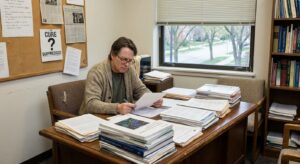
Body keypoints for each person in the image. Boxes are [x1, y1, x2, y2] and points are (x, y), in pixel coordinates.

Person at [79, 37, 162, 115]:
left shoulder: (130, 70)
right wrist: (117, 108)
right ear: (113, 55)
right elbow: (91, 103)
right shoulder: (96, 72)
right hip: (97, 118)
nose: (127, 64)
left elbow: (140, 89)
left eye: (130, 60)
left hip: (120, 117)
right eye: (123, 59)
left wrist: (153, 99)